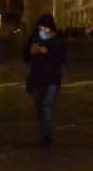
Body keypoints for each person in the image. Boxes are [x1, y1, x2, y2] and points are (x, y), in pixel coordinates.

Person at [24, 13, 67, 147]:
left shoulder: (58, 40)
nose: (43, 31)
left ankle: (47, 135)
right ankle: (44, 132)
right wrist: (31, 52)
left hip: (52, 80)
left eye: (46, 29)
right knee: (39, 108)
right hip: (37, 79)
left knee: (46, 107)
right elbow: (25, 57)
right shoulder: (34, 38)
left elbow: (61, 58)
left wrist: (47, 51)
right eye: (41, 28)